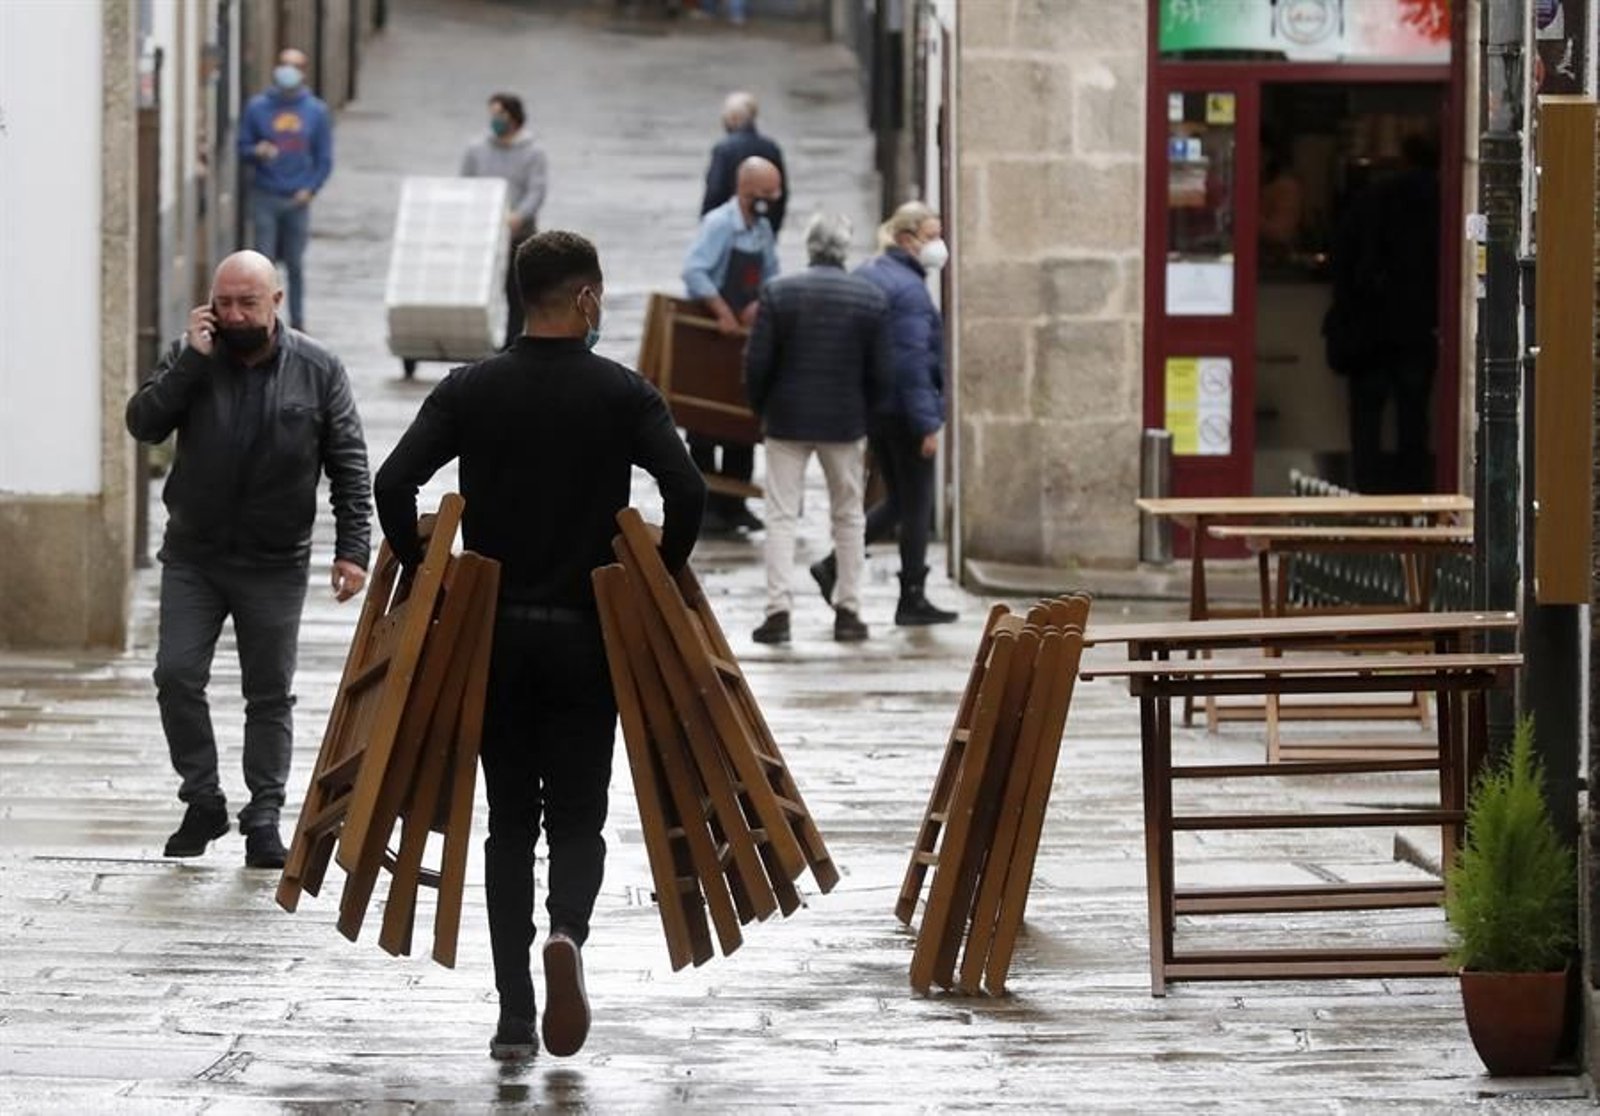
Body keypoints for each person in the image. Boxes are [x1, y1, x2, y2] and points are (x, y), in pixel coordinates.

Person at [373, 231, 706, 1061]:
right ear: (586, 299)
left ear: (521, 294)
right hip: (590, 636)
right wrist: (657, 573)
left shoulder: (472, 390)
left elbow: (392, 483)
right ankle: (566, 933)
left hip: (495, 637)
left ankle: (515, 1013)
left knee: (510, 822)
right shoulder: (623, 394)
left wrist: (429, 571)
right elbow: (688, 489)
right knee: (581, 820)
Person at [125, 251, 371, 870]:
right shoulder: (193, 361)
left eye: (247, 303)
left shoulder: (318, 368)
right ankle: (203, 800)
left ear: (276, 303)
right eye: (224, 303)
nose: (234, 315)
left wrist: (352, 550)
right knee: (176, 676)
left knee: (269, 695)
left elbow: (348, 464)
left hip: (274, 561)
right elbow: (144, 424)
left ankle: (264, 814)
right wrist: (188, 361)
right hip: (194, 556)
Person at [743, 213, 890, 645]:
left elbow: (757, 362)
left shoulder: (779, 292)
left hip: (786, 420)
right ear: (844, 250)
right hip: (844, 423)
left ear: (809, 247)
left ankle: (778, 610)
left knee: (781, 515)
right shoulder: (869, 297)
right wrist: (870, 417)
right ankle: (848, 609)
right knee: (848, 516)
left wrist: (760, 408)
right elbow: (882, 371)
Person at [815, 201, 957, 626]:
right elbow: (913, 362)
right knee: (916, 505)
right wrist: (928, 423)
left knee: (896, 500)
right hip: (905, 411)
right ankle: (911, 596)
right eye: (932, 236)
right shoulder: (910, 291)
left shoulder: (869, 274)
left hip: (875, 408)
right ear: (906, 239)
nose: (939, 245)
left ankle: (832, 567)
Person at [1323, 134, 1440, 494]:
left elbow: (1343, 257)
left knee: (1367, 420)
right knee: (1413, 418)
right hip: (1417, 327)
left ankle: (1367, 497)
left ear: (1404, 156)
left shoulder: (1371, 198)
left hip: (1369, 328)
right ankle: (1414, 499)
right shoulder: (1440, 197)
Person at [681, 155, 783, 535]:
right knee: (705, 425)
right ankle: (706, 508)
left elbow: (772, 272)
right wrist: (722, 310)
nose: (773, 199)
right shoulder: (719, 224)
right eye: (767, 192)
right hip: (711, 337)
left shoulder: (762, 230)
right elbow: (694, 270)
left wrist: (761, 302)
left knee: (741, 420)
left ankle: (734, 506)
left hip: (745, 338)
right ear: (746, 190)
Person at [237, 49, 333, 332]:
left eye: (295, 66)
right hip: (265, 194)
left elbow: (324, 159)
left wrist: (310, 189)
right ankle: (264, 319)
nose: (288, 70)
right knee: (263, 265)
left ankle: (298, 322)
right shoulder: (257, 108)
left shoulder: (315, 111)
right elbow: (242, 146)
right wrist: (258, 151)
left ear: (304, 71)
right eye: (285, 64)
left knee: (296, 264)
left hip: (297, 199)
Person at [460, 92, 550, 348]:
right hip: (482, 233)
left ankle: (510, 344)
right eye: (492, 114)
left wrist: (518, 216)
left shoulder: (533, 153)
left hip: (518, 234)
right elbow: (465, 185)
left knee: (516, 292)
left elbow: (537, 190)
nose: (495, 120)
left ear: (514, 117)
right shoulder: (476, 150)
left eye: (500, 114)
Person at [701, 92, 787, 236]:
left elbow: (715, 192)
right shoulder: (771, 148)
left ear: (732, 119)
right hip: (764, 227)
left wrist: (706, 227)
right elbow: (781, 194)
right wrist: (773, 229)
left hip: (727, 230)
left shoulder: (723, 150)